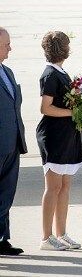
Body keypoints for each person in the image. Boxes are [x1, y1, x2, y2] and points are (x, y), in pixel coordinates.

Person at [36, 31, 82, 251]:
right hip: (54, 136)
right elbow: (46, 108)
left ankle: (61, 233)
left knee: (64, 186)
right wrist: (73, 113)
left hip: (67, 136)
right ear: (64, 49)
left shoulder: (60, 72)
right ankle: (47, 238)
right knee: (53, 187)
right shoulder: (50, 75)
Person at [0, 28, 27, 257]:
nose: (10, 48)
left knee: (6, 193)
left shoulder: (7, 72)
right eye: (6, 44)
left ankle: (2, 238)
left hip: (12, 143)